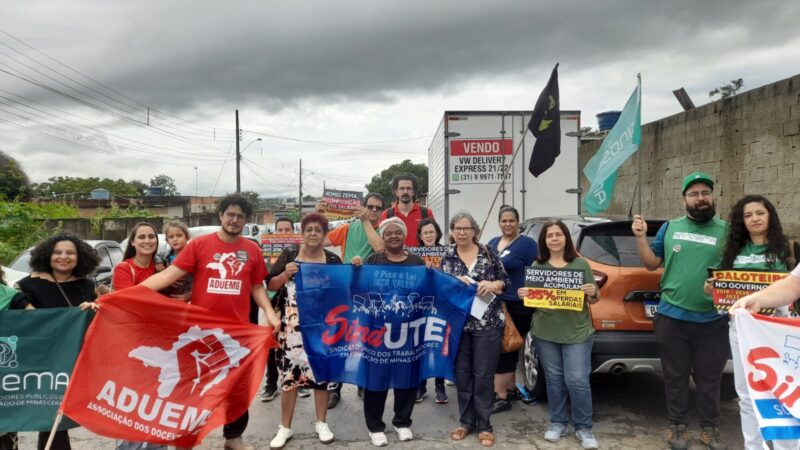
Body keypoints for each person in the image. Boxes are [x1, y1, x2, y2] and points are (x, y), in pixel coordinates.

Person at [140, 194, 280, 450]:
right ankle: (185, 438)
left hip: (236, 334)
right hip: (199, 333)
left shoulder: (252, 250)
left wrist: (269, 312)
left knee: (237, 389)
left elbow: (257, 286)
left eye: (240, 216)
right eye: (230, 214)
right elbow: (169, 275)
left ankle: (233, 438)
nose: (234, 220)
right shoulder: (199, 245)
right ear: (221, 216)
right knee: (192, 388)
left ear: (246, 220)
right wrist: (128, 294)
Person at [632, 171, 729, 450]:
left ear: (713, 197)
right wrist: (640, 237)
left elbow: (736, 270)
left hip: (713, 319)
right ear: (684, 199)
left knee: (710, 378)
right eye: (694, 194)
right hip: (672, 317)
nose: (701, 198)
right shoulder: (670, 228)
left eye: (705, 193)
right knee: (675, 376)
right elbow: (651, 263)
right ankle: (677, 426)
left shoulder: (728, 230)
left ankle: (710, 429)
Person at [706, 195, 797, 450]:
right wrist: (711, 288)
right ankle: (753, 446)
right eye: (748, 215)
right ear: (741, 221)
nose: (754, 219)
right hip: (742, 329)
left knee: (782, 392)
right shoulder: (733, 252)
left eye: (760, 213)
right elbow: (716, 290)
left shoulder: (788, 248)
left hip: (777, 328)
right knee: (746, 394)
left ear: (770, 216)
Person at [517, 220, 599, 449]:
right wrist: (525, 295)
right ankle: (558, 422)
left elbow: (594, 299)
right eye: (549, 235)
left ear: (566, 238)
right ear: (544, 240)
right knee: (554, 380)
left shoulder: (580, 264)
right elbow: (533, 302)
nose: (554, 239)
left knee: (577, 380)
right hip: (545, 332)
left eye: (558, 234)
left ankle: (584, 427)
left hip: (577, 332)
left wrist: (593, 292)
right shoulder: (538, 265)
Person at [15, 233, 100, 450]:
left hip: (75, 361)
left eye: (70, 252)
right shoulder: (28, 285)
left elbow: (98, 321)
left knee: (59, 418)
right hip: (43, 362)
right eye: (58, 252)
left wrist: (95, 309)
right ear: (47, 256)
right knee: (52, 416)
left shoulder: (87, 286)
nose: (64, 256)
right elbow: (17, 320)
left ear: (79, 257)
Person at [267, 213, 339, 449]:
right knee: (289, 378)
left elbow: (344, 288)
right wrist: (285, 274)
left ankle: (321, 423)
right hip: (291, 329)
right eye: (309, 230)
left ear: (324, 234)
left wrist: (357, 266)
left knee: (321, 376)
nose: (313, 234)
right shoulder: (290, 254)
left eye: (318, 230)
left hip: (322, 330)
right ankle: (285, 427)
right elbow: (270, 285)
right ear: (302, 233)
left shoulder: (332, 260)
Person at [350, 217, 424, 446]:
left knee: (407, 376)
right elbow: (358, 288)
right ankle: (375, 427)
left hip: (408, 332)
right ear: (382, 237)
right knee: (376, 379)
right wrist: (356, 269)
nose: (393, 236)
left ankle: (402, 422)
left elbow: (426, 290)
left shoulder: (416, 261)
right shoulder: (373, 260)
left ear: (404, 235)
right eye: (388, 233)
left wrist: (431, 272)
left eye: (397, 232)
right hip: (377, 333)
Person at [442, 212, 508, 448]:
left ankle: (485, 425)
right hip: (459, 325)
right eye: (457, 228)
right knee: (463, 375)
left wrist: (493, 284)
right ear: (452, 231)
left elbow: (505, 281)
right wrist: (453, 284)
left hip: (487, 324)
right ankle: (466, 422)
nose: (461, 233)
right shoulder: (447, 256)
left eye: (466, 228)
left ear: (474, 231)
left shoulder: (488, 252)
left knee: (483, 375)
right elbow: (441, 289)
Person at [322, 192, 386, 408]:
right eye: (370, 206)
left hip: (371, 293)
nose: (373, 210)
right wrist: (320, 215)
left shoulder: (384, 229)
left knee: (368, 339)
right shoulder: (348, 228)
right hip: (346, 291)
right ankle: (334, 388)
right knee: (340, 339)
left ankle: (363, 382)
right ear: (363, 206)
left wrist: (366, 221)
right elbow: (321, 240)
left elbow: (380, 248)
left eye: (378, 207)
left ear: (382, 210)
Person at [489, 206, 538, 413]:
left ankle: (500, 396)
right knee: (504, 346)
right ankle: (509, 389)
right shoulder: (492, 243)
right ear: (499, 222)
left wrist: (532, 294)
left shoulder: (527, 244)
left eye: (511, 220)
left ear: (518, 222)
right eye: (504, 221)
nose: (507, 224)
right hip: (496, 303)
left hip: (518, 305)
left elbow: (537, 272)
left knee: (507, 348)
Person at [261, 216, 295, 403]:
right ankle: (271, 384)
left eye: (287, 230)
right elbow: (267, 282)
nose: (283, 233)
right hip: (272, 304)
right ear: (274, 232)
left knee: (295, 343)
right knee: (271, 344)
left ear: (293, 232)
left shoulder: (299, 250)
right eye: (280, 230)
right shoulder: (266, 251)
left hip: (294, 306)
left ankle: (297, 381)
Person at [414, 217, 448, 404]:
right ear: (420, 235)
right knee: (420, 346)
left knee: (439, 346)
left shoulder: (447, 252)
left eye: (431, 232)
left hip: (441, 305)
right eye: (425, 233)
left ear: (437, 234)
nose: (428, 235)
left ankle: (440, 386)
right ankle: (421, 386)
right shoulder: (413, 254)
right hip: (420, 306)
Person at [379, 173, 434, 247]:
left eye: (409, 188)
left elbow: (433, 239)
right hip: (396, 254)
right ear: (396, 192)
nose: (405, 191)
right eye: (402, 188)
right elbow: (381, 240)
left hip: (420, 254)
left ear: (413, 192)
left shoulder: (426, 213)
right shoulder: (387, 214)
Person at [113, 222, 160, 291]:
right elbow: (129, 296)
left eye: (151, 236)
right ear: (132, 242)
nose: (147, 241)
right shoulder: (123, 269)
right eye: (141, 237)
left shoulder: (161, 266)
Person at [160, 221, 192, 300]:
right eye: (171, 237)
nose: (175, 239)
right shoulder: (165, 257)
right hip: (169, 297)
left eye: (179, 236)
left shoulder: (193, 256)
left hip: (188, 297)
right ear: (167, 240)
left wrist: (190, 295)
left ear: (187, 237)